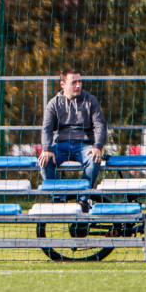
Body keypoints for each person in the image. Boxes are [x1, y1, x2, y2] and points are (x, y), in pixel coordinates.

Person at [39, 68, 106, 201]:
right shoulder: (54, 103)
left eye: (80, 81)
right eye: (74, 82)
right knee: (44, 161)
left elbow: (100, 125)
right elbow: (46, 128)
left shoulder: (90, 100)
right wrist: (47, 149)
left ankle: (83, 198)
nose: (78, 85)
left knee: (94, 158)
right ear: (63, 84)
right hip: (61, 144)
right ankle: (58, 197)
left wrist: (98, 146)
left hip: (84, 146)